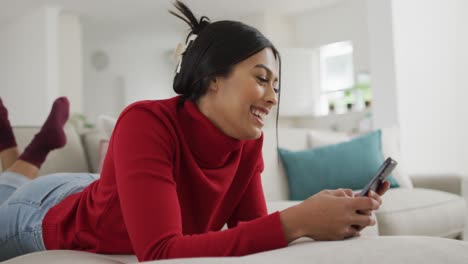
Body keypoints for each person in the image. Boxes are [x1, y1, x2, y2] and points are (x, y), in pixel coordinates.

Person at [0, 1, 390, 262]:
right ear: (212, 79)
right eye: (261, 79)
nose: (272, 97)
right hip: (45, 209)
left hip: (105, 191)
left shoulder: (247, 140)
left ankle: (37, 147)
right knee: (5, 194)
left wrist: (331, 216)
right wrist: (297, 220)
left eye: (276, 85)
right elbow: (159, 251)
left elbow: (251, 234)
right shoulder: (144, 122)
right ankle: (34, 148)